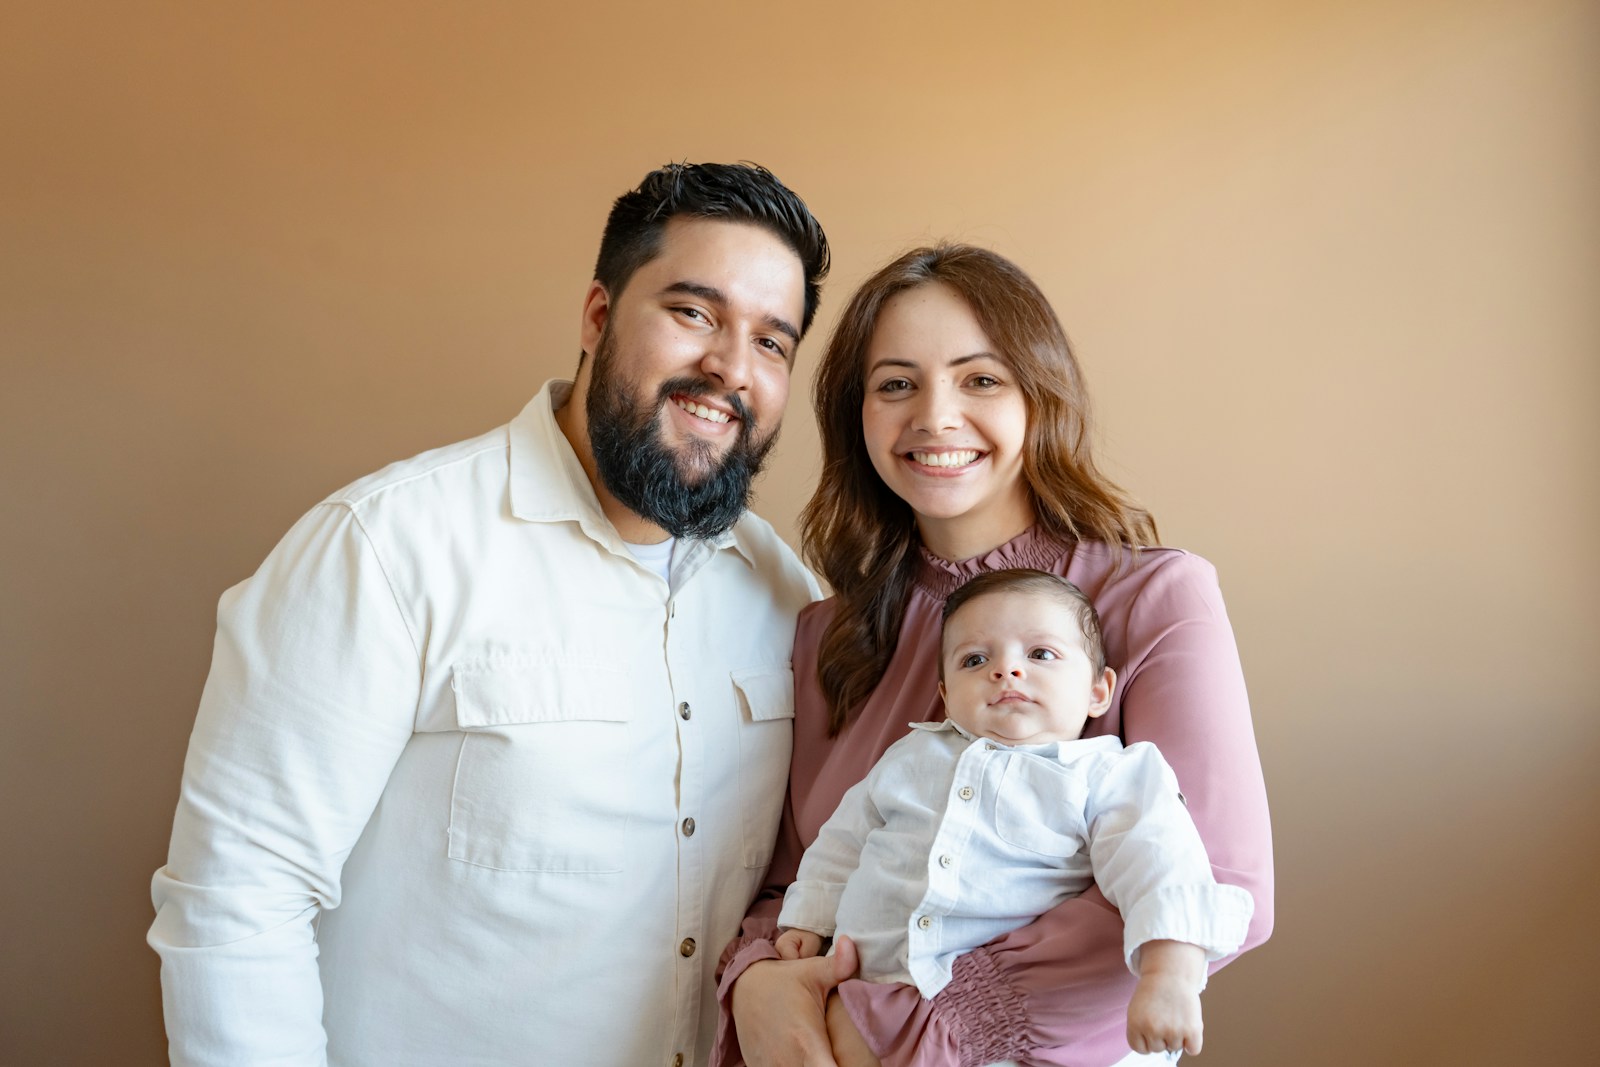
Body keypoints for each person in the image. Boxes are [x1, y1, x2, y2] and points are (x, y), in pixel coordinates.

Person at [149, 162, 829, 1067]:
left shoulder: (784, 590)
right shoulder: (386, 547)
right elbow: (235, 899)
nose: (730, 368)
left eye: (772, 343)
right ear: (597, 316)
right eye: (694, 313)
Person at [716, 244, 1273, 1067]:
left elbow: (1227, 885)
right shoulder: (827, 632)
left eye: (980, 379)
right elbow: (795, 874)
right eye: (896, 383)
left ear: (1038, 397)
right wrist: (760, 983)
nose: (935, 417)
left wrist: (923, 1032)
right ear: (856, 415)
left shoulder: (1152, 597)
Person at [771, 569, 1254, 1060]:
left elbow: (1161, 863)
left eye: (1040, 654)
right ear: (945, 696)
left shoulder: (1106, 775)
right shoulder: (909, 757)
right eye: (975, 660)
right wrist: (805, 923)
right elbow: (844, 842)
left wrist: (1169, 976)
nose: (1005, 670)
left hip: (1006, 1039)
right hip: (866, 993)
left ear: (1098, 691)